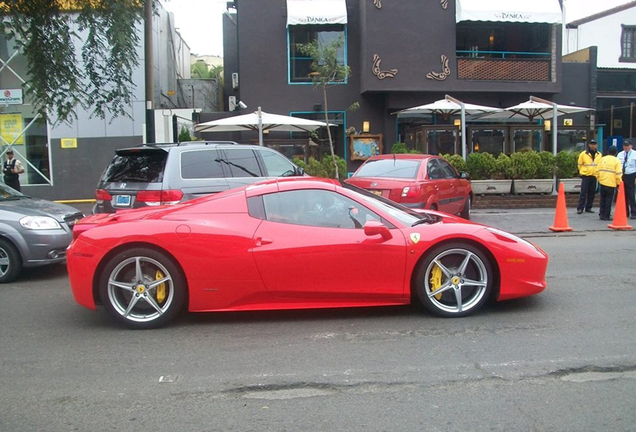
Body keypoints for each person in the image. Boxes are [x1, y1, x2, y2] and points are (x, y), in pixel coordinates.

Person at [596, 146, 622, 221]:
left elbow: (597, 171)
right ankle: (606, 216)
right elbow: (618, 174)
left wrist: (599, 179)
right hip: (611, 183)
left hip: (602, 182)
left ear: (607, 152)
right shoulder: (616, 161)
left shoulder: (602, 159)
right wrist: (618, 184)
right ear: (616, 153)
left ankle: (601, 214)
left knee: (602, 199)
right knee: (608, 200)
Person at [576, 139, 601, 214]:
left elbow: (599, 165)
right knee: (583, 192)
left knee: (592, 193)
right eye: (592, 144)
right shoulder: (583, 154)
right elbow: (579, 164)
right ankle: (580, 208)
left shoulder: (599, 154)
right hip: (586, 175)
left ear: (596, 145)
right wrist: (582, 172)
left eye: (594, 144)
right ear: (589, 145)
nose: (593, 145)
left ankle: (588, 207)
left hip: (594, 176)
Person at [617, 139, 636, 219]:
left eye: (627, 146)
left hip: (631, 175)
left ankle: (634, 212)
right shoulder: (620, 154)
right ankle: (625, 212)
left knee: (631, 195)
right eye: (625, 146)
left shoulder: (635, 154)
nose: (626, 147)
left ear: (631, 146)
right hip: (622, 176)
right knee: (623, 195)